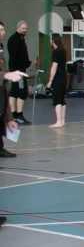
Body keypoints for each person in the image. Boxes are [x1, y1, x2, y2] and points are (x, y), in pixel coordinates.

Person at [0, 21, 28, 159]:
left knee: (2, 112)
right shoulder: (14, 40)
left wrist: (9, 118)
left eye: (3, 29)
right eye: (0, 30)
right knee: (18, 93)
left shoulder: (1, 46)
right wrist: (6, 74)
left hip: (3, 85)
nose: (3, 32)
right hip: (9, 75)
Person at [7, 20, 32, 125]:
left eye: (26, 28)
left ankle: (13, 115)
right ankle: (19, 116)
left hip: (17, 70)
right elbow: (16, 57)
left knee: (14, 92)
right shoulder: (15, 39)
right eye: (23, 28)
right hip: (18, 72)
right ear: (18, 28)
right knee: (22, 92)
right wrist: (25, 64)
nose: (25, 30)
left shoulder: (20, 39)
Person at [45, 34, 67, 128]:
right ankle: (62, 121)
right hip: (64, 77)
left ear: (53, 41)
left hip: (58, 78)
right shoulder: (63, 51)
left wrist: (50, 81)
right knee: (62, 100)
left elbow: (54, 67)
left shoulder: (56, 52)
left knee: (57, 99)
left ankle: (58, 121)